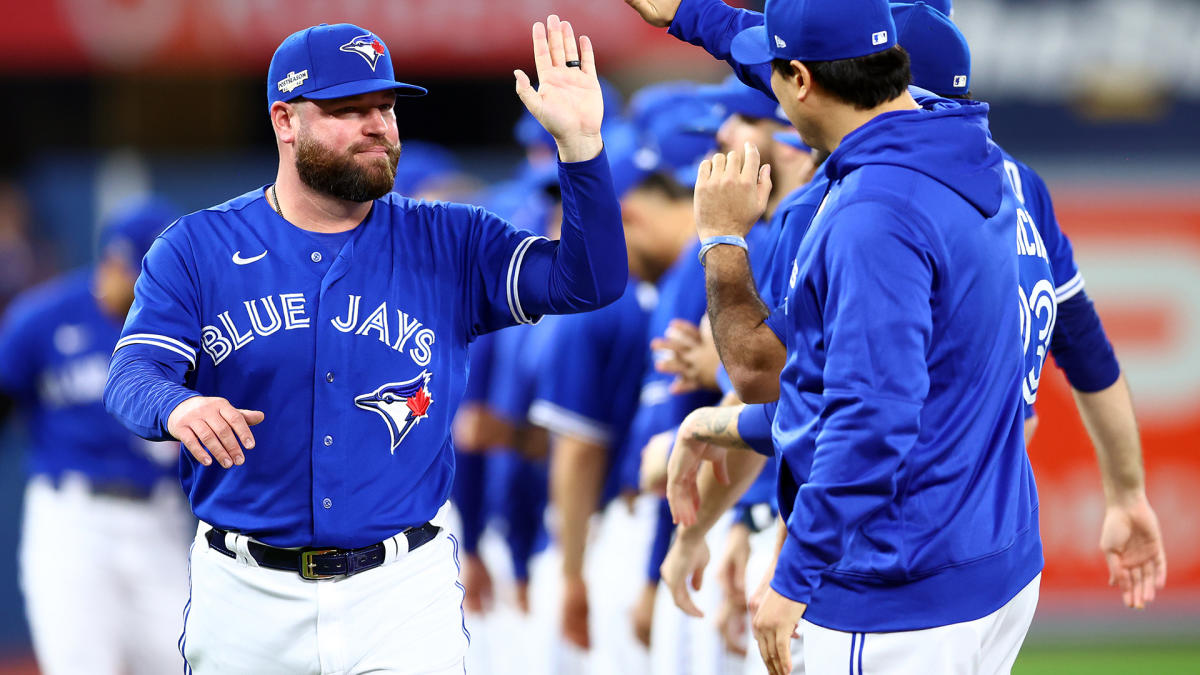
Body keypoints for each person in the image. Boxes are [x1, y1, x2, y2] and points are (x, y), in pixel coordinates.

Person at [103, 17, 626, 675]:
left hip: (401, 591)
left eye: (385, 106)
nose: (378, 124)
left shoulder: (452, 241)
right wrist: (176, 407)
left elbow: (593, 280)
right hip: (245, 593)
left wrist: (581, 149)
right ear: (285, 121)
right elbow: (132, 371)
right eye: (349, 110)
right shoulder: (196, 247)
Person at [628, 1, 1056, 674]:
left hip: (900, 587)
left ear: (801, 80)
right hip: (990, 558)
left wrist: (795, 574)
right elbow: (886, 398)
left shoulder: (873, 213)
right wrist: (687, 13)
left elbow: (872, 420)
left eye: (774, 73)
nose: (762, 83)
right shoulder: (966, 154)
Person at [0, 197, 192, 675]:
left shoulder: (186, 328)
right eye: (121, 264)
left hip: (160, 520)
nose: (119, 277)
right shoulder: (42, 319)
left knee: (186, 661)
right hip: (72, 519)